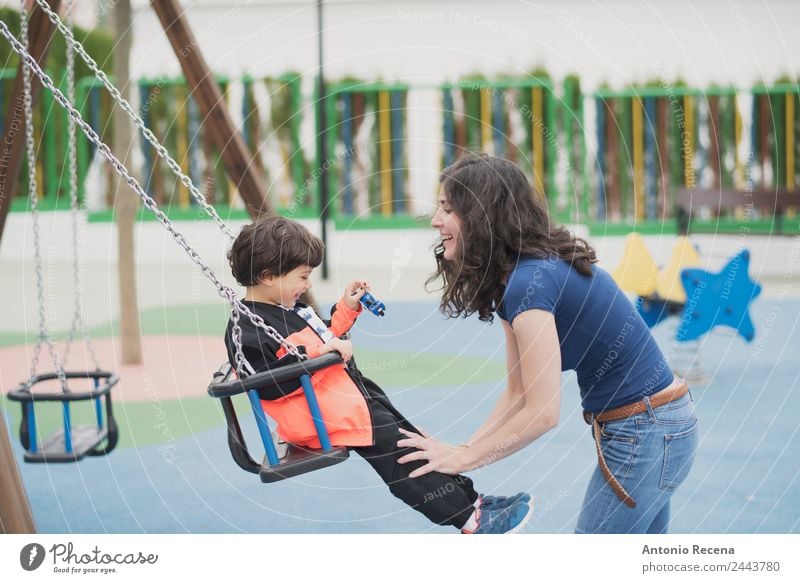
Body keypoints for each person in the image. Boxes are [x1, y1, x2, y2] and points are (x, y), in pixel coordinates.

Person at [398, 153, 699, 534]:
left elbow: (543, 412)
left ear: (481, 216)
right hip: (655, 424)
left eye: (448, 209)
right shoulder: (518, 277)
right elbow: (517, 389)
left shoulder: (530, 282)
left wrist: (467, 460)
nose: (436, 220)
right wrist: (464, 449)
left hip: (648, 428)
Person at [223, 215, 533, 534]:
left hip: (343, 399)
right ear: (268, 276)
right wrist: (324, 353)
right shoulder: (246, 329)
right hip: (320, 416)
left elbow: (323, 334)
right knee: (400, 455)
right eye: (302, 277)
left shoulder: (287, 308)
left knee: (412, 435)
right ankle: (470, 520)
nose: (308, 285)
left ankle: (470, 498)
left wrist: (346, 307)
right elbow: (272, 384)